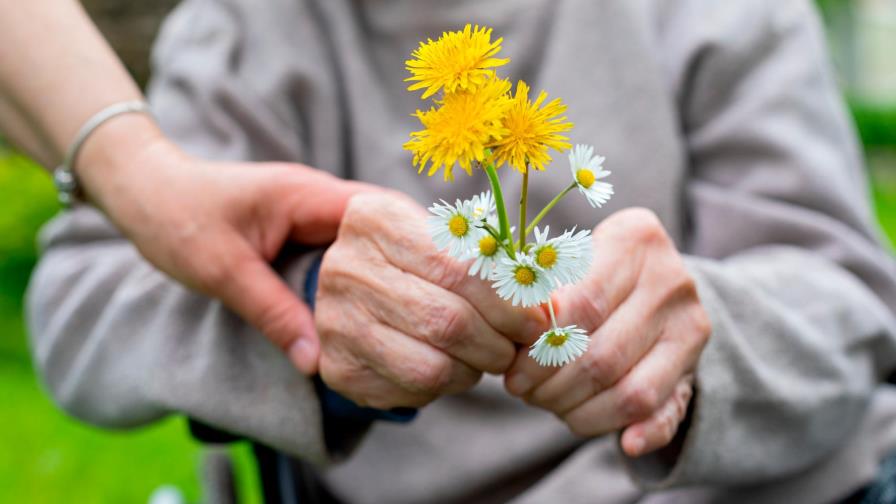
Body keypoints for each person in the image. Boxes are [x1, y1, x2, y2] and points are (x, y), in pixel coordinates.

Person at [15, 0, 896, 503]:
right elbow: (86, 299)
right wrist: (309, 306)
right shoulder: (244, 29)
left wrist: (698, 338)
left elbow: (851, 302)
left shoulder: (721, 15)